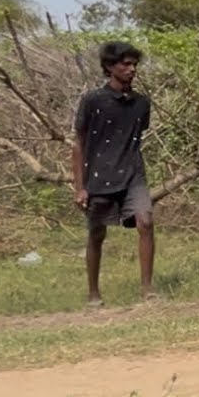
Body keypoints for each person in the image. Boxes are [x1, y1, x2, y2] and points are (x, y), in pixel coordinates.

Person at [72, 41, 156, 306]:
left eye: (134, 64)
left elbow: (135, 136)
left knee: (145, 221)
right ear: (110, 67)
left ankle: (147, 291)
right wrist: (80, 186)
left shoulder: (142, 103)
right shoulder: (93, 101)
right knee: (96, 233)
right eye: (125, 64)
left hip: (133, 173)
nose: (131, 69)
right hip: (99, 175)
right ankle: (93, 294)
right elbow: (79, 144)